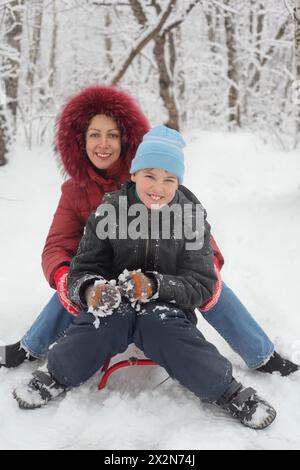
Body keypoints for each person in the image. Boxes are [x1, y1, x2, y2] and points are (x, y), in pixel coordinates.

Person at [0, 85, 298, 377]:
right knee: (73, 280)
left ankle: (261, 354)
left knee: (212, 286)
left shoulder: (151, 179)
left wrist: (205, 268)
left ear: (126, 140)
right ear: (80, 141)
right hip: (106, 270)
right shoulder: (75, 191)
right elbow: (57, 245)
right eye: (94, 135)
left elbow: (197, 232)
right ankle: (30, 347)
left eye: (112, 135)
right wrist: (69, 278)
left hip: (162, 269)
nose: (103, 144)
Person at [13, 125, 277, 430]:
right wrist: (90, 290)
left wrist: (156, 285)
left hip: (166, 305)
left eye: (169, 179)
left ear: (178, 182)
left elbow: (203, 282)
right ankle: (55, 375)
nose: (158, 187)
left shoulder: (190, 217)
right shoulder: (110, 210)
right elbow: (81, 268)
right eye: (150, 175)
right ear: (134, 174)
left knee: (165, 328)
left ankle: (228, 390)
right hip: (114, 298)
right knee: (102, 320)